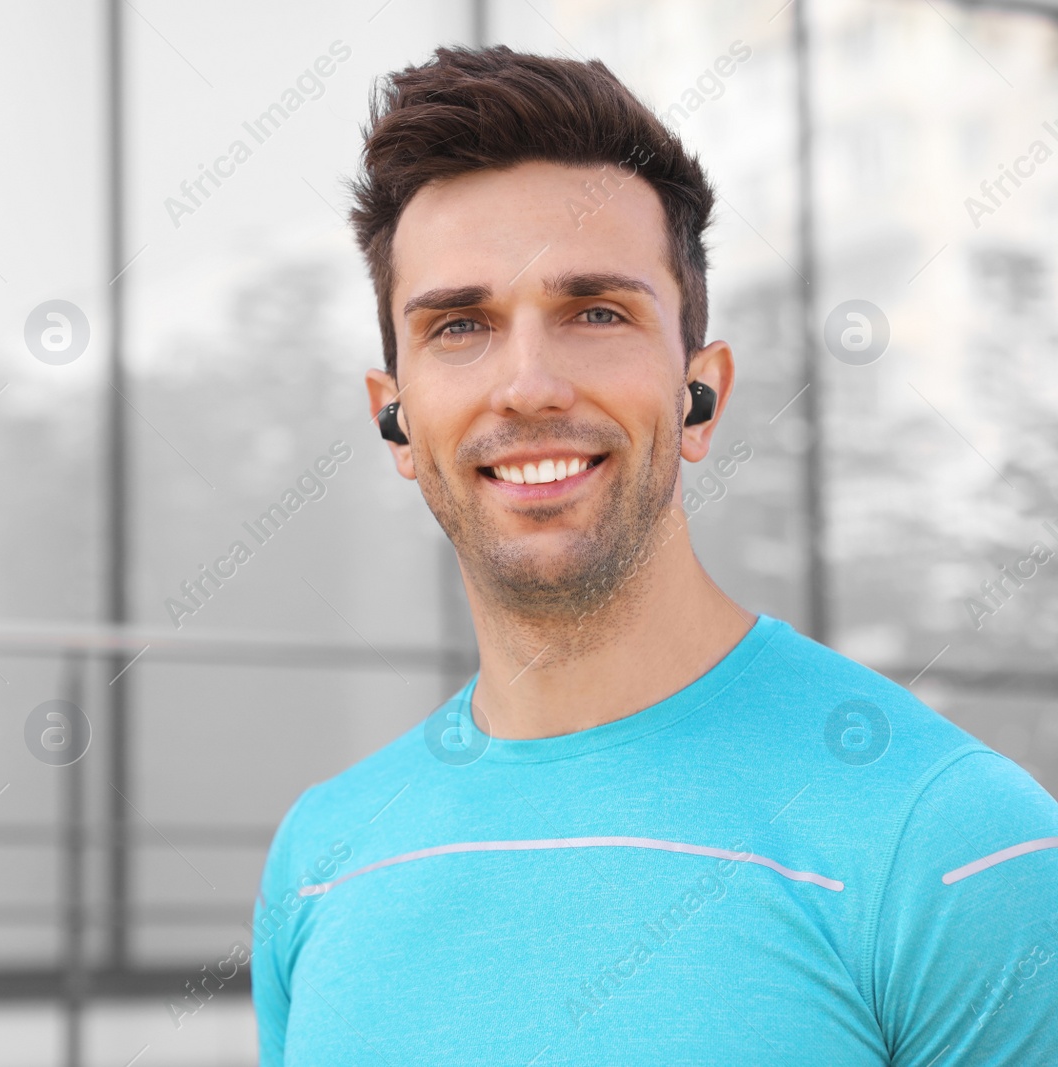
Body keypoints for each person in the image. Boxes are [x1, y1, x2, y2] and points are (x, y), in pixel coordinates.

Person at [251, 46, 1058, 1065]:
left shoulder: (957, 845)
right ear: (397, 421)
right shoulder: (318, 860)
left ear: (699, 391)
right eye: (461, 325)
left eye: (596, 312)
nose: (528, 385)